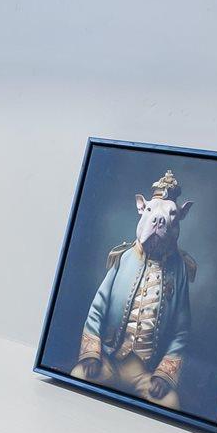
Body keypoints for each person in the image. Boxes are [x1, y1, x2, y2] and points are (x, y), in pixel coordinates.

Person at [74, 170, 196, 409]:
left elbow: (182, 330)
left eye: (170, 214)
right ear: (142, 208)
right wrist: (91, 353)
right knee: (78, 376)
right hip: (108, 359)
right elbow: (98, 307)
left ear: (180, 217)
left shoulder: (180, 269)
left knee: (171, 404)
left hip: (145, 373)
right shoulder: (124, 258)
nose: (159, 220)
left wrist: (164, 374)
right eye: (152, 211)